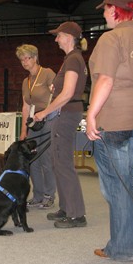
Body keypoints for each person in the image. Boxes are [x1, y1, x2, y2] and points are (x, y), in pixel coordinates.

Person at [86, 0, 133, 260]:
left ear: (114, 10)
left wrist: (92, 114)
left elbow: (106, 80)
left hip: (117, 118)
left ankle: (123, 247)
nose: (104, 14)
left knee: (118, 183)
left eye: (105, 9)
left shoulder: (111, 38)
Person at [33, 21, 88, 228]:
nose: (56, 39)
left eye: (58, 35)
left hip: (66, 114)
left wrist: (44, 112)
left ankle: (76, 214)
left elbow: (67, 93)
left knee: (63, 163)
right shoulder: (71, 59)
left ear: (68, 37)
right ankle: (66, 208)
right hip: (65, 113)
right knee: (58, 162)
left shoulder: (73, 59)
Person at [16, 44, 56, 210]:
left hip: (48, 119)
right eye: (22, 59)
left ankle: (49, 195)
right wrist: (23, 131)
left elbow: (57, 97)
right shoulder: (26, 81)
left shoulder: (47, 73)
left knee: (46, 159)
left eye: (28, 58)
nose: (25, 62)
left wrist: (45, 113)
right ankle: (38, 195)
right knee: (32, 161)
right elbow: (25, 107)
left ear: (35, 57)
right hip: (33, 122)